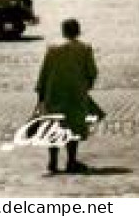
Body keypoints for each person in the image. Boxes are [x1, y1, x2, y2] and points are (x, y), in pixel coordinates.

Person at [34, 18, 102, 174]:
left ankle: (53, 161)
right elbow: (92, 72)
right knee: (74, 126)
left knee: (54, 125)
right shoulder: (85, 48)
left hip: (54, 92)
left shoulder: (52, 48)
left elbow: (44, 72)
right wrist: (87, 86)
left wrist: (41, 93)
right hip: (75, 94)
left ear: (63, 31)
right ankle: (71, 161)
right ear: (77, 31)